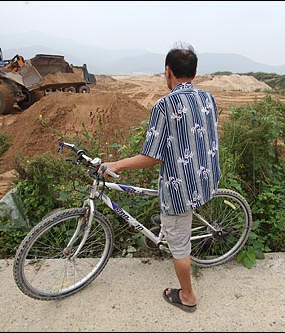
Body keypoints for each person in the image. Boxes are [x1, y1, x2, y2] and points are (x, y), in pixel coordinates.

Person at [100, 41, 220, 313]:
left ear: (168, 72)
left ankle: (187, 296)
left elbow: (152, 156)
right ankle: (164, 227)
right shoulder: (208, 98)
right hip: (206, 179)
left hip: (180, 192)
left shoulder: (165, 105)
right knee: (171, 222)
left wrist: (116, 164)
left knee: (179, 248)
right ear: (194, 72)